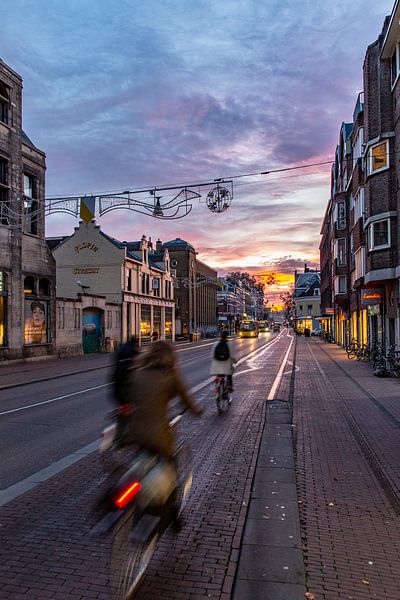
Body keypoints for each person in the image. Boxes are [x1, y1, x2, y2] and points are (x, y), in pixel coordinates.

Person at [126, 341, 202, 459]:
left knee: (139, 460)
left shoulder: (138, 372)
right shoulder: (170, 374)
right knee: (169, 463)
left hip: (135, 431)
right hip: (158, 433)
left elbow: (131, 397)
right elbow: (185, 398)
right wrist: (196, 410)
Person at [112, 336, 139, 407]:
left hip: (118, 375)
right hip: (127, 376)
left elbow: (116, 359)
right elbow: (138, 360)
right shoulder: (133, 349)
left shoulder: (122, 348)